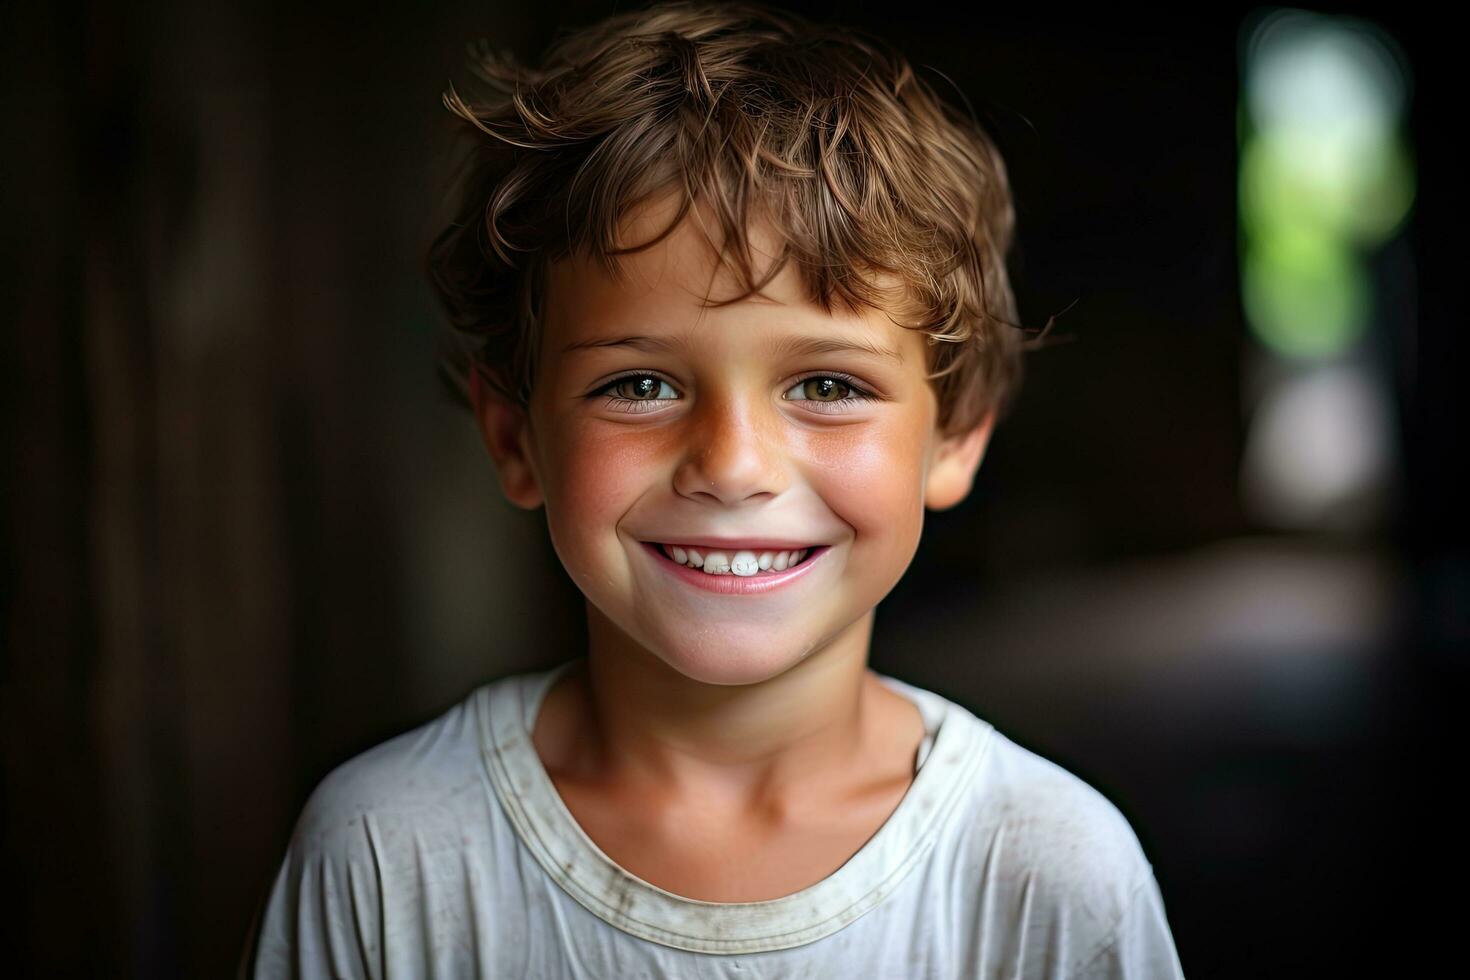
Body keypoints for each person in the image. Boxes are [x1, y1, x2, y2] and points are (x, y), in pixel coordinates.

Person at [243, 2, 1185, 976]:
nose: (733, 465)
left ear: (954, 436)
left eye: (828, 385)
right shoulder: (390, 856)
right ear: (515, 435)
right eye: (640, 384)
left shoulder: (1047, 873)